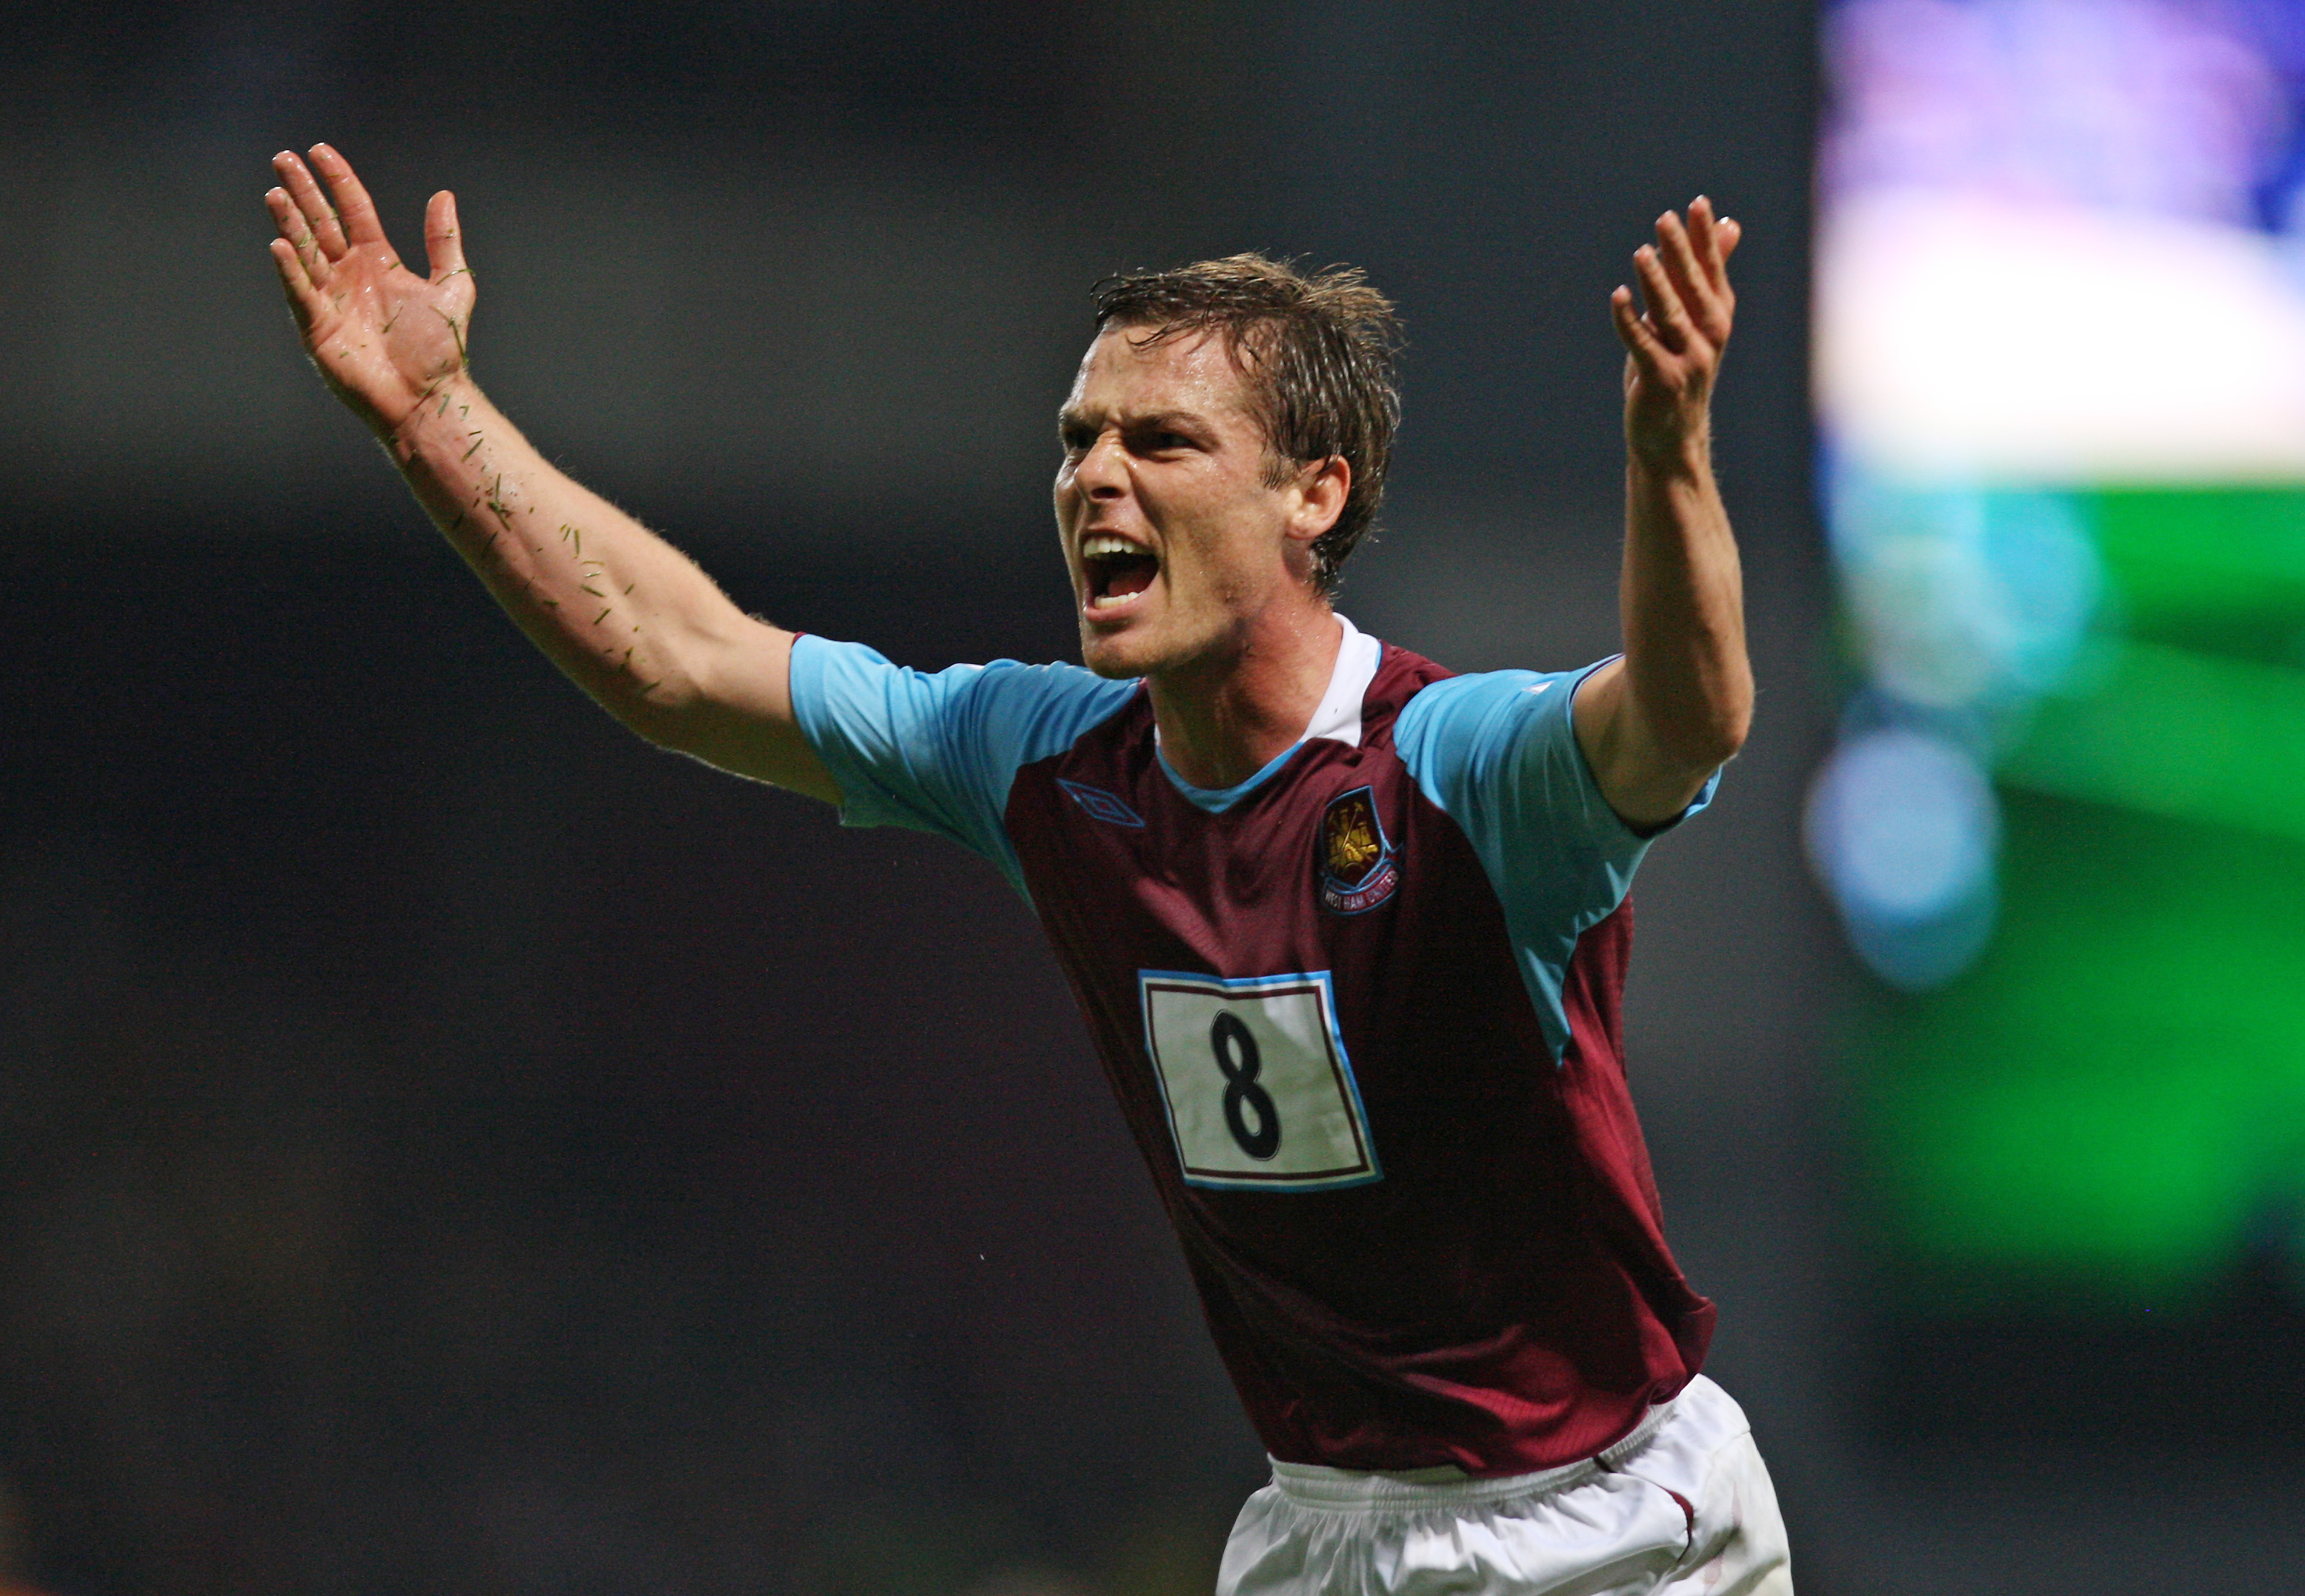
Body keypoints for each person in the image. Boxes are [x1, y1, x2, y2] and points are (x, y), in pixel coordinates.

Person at [263, 142, 1792, 1596]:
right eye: (1077, 441)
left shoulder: (1450, 768)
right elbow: (679, 661)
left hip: (1611, 1531)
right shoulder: (1042, 761)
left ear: (1311, 497)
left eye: (1161, 441)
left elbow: (1683, 716)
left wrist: (1666, 462)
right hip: (1321, 1533)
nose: (1093, 481)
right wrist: (432, 416)